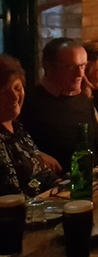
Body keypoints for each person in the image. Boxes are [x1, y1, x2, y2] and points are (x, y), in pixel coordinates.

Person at [20, 38, 98, 172]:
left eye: (83, 66)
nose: (80, 74)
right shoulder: (28, 103)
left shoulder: (83, 99)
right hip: (54, 186)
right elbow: (18, 149)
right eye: (71, 67)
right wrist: (36, 155)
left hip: (91, 180)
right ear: (49, 68)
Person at [0, 55, 61, 196]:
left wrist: (66, 186)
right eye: (3, 92)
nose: (14, 97)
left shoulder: (16, 126)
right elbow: (12, 195)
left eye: (17, 88)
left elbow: (44, 174)